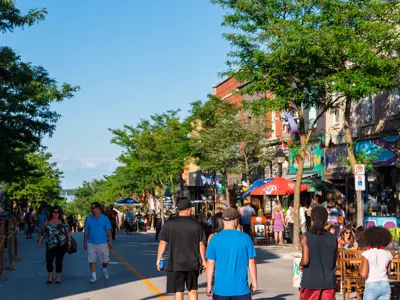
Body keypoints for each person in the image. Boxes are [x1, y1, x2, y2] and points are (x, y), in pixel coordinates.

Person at [156, 198, 206, 300]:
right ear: (188, 209)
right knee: (192, 290)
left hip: (175, 264)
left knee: (178, 291)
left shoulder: (169, 224)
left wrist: (159, 259)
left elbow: (162, 243)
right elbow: (201, 244)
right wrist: (204, 261)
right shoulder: (196, 224)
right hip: (192, 263)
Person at [206, 208, 257, 299]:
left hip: (220, 290)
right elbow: (251, 262)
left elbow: (210, 263)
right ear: (236, 220)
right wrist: (254, 281)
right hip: (241, 290)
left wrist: (209, 285)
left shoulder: (214, 239)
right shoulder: (245, 238)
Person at [300, 207, 337, 300]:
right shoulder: (333, 238)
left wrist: (300, 265)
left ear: (312, 218)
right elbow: (334, 261)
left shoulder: (305, 237)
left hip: (311, 283)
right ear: (326, 218)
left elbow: (305, 261)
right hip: (329, 283)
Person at [37, 207, 71, 284]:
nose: (55, 214)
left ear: (60, 213)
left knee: (59, 261)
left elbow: (68, 231)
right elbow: (43, 233)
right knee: (49, 260)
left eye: (57, 212)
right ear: (51, 213)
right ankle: (50, 276)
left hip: (61, 244)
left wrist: (69, 241)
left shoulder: (63, 221)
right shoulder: (48, 221)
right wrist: (39, 241)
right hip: (50, 244)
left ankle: (58, 277)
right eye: (54, 212)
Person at [359, 227, 393, 300]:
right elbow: (388, 273)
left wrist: (359, 268)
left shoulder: (366, 254)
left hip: (371, 285)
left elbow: (363, 274)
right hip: (385, 285)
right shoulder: (388, 254)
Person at [84, 202, 112, 283]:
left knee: (105, 260)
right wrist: (85, 242)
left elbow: (109, 230)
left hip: (103, 243)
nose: (92, 210)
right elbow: (86, 231)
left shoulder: (105, 218)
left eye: (94, 208)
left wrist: (110, 241)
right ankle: (94, 276)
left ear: (98, 208)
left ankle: (104, 269)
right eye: (91, 208)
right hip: (91, 242)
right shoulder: (89, 219)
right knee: (92, 260)